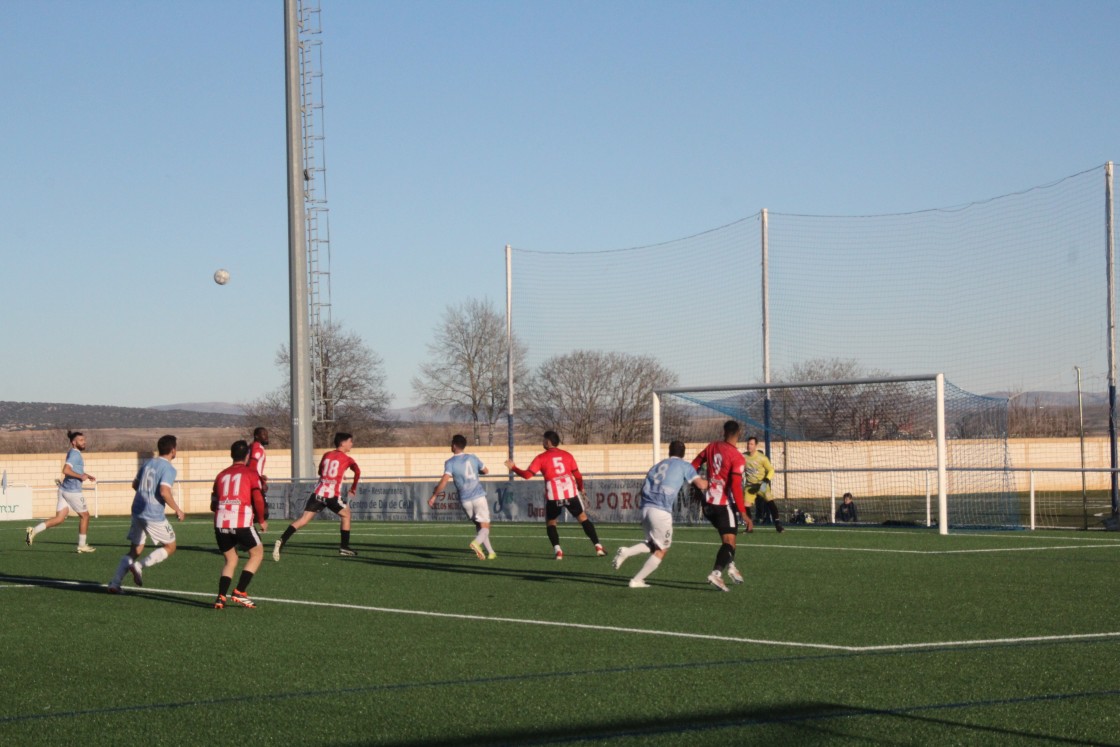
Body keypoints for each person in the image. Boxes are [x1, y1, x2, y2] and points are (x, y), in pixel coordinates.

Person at [612, 440, 708, 588]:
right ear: (683, 454)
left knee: (653, 544)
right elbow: (701, 485)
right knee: (662, 549)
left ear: (669, 452)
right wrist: (714, 481)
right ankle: (636, 580)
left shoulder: (656, 466)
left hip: (645, 507)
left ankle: (626, 552)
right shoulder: (684, 465)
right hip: (661, 510)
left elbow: (643, 488)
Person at [504, 430, 606, 559]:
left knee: (551, 522)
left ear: (548, 442)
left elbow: (527, 475)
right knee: (582, 518)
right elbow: (578, 476)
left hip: (554, 495)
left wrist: (513, 468)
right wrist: (581, 488)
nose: (542, 442)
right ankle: (598, 546)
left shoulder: (541, 457)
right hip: (570, 492)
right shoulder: (567, 455)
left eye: (543, 440)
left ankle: (558, 551)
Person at [108, 434, 186, 593]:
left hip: (137, 511)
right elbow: (164, 492)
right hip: (153, 514)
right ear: (173, 450)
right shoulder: (169, 468)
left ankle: (115, 583)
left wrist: (146, 494)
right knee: (171, 546)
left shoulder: (148, 463)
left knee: (135, 550)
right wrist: (177, 509)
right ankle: (139, 566)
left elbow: (135, 484)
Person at [273, 432, 361, 560]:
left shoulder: (327, 455)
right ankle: (344, 547)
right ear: (343, 443)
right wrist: (353, 487)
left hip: (318, 493)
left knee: (303, 519)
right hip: (332, 495)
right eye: (350, 441)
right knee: (347, 514)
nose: (351, 444)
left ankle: (282, 540)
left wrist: (334, 475)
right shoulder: (347, 459)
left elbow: (321, 471)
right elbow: (357, 472)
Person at [211, 440, 268, 609]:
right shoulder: (250, 473)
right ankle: (240, 592)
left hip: (220, 522)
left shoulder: (221, 475)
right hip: (241, 520)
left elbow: (213, 504)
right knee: (257, 554)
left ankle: (221, 597)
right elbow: (257, 498)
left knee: (231, 559)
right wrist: (262, 520)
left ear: (231, 455)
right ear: (248, 456)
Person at [692, 420, 748, 591]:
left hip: (707, 502)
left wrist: (696, 485)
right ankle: (716, 573)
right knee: (729, 542)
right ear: (739, 434)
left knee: (729, 537)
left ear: (724, 432)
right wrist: (744, 512)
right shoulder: (737, 457)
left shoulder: (712, 446)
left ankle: (731, 567)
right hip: (723, 503)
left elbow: (693, 465)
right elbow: (736, 487)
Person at [26, 430, 97, 552]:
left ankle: (34, 530)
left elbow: (73, 471)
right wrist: (80, 477)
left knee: (59, 518)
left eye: (84, 440)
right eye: (81, 440)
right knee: (85, 516)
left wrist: (86, 475)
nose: (84, 442)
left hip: (63, 490)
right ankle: (81, 545)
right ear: (73, 442)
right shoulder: (75, 454)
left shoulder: (72, 453)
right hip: (72, 492)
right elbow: (66, 470)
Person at [429, 434, 496, 560]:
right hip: (478, 497)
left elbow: (444, 481)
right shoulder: (473, 457)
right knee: (486, 526)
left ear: (454, 446)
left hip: (465, 500)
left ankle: (491, 553)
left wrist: (434, 496)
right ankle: (476, 543)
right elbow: (486, 471)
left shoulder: (450, 462)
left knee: (479, 525)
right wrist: (478, 471)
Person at [743, 436, 783, 533]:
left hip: (762, 485)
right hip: (750, 486)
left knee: (770, 502)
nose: (749, 445)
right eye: (748, 443)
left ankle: (778, 525)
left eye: (751, 444)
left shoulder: (762, 458)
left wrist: (766, 480)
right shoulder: (743, 456)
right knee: (745, 505)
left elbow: (771, 470)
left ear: (756, 445)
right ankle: (749, 526)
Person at [248, 426, 270, 500]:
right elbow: (252, 467)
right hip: (254, 484)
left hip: (250, 481)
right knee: (262, 509)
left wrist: (260, 475)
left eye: (267, 434)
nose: (266, 437)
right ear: (256, 436)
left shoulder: (250, 447)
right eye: (264, 434)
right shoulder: (257, 448)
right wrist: (261, 481)